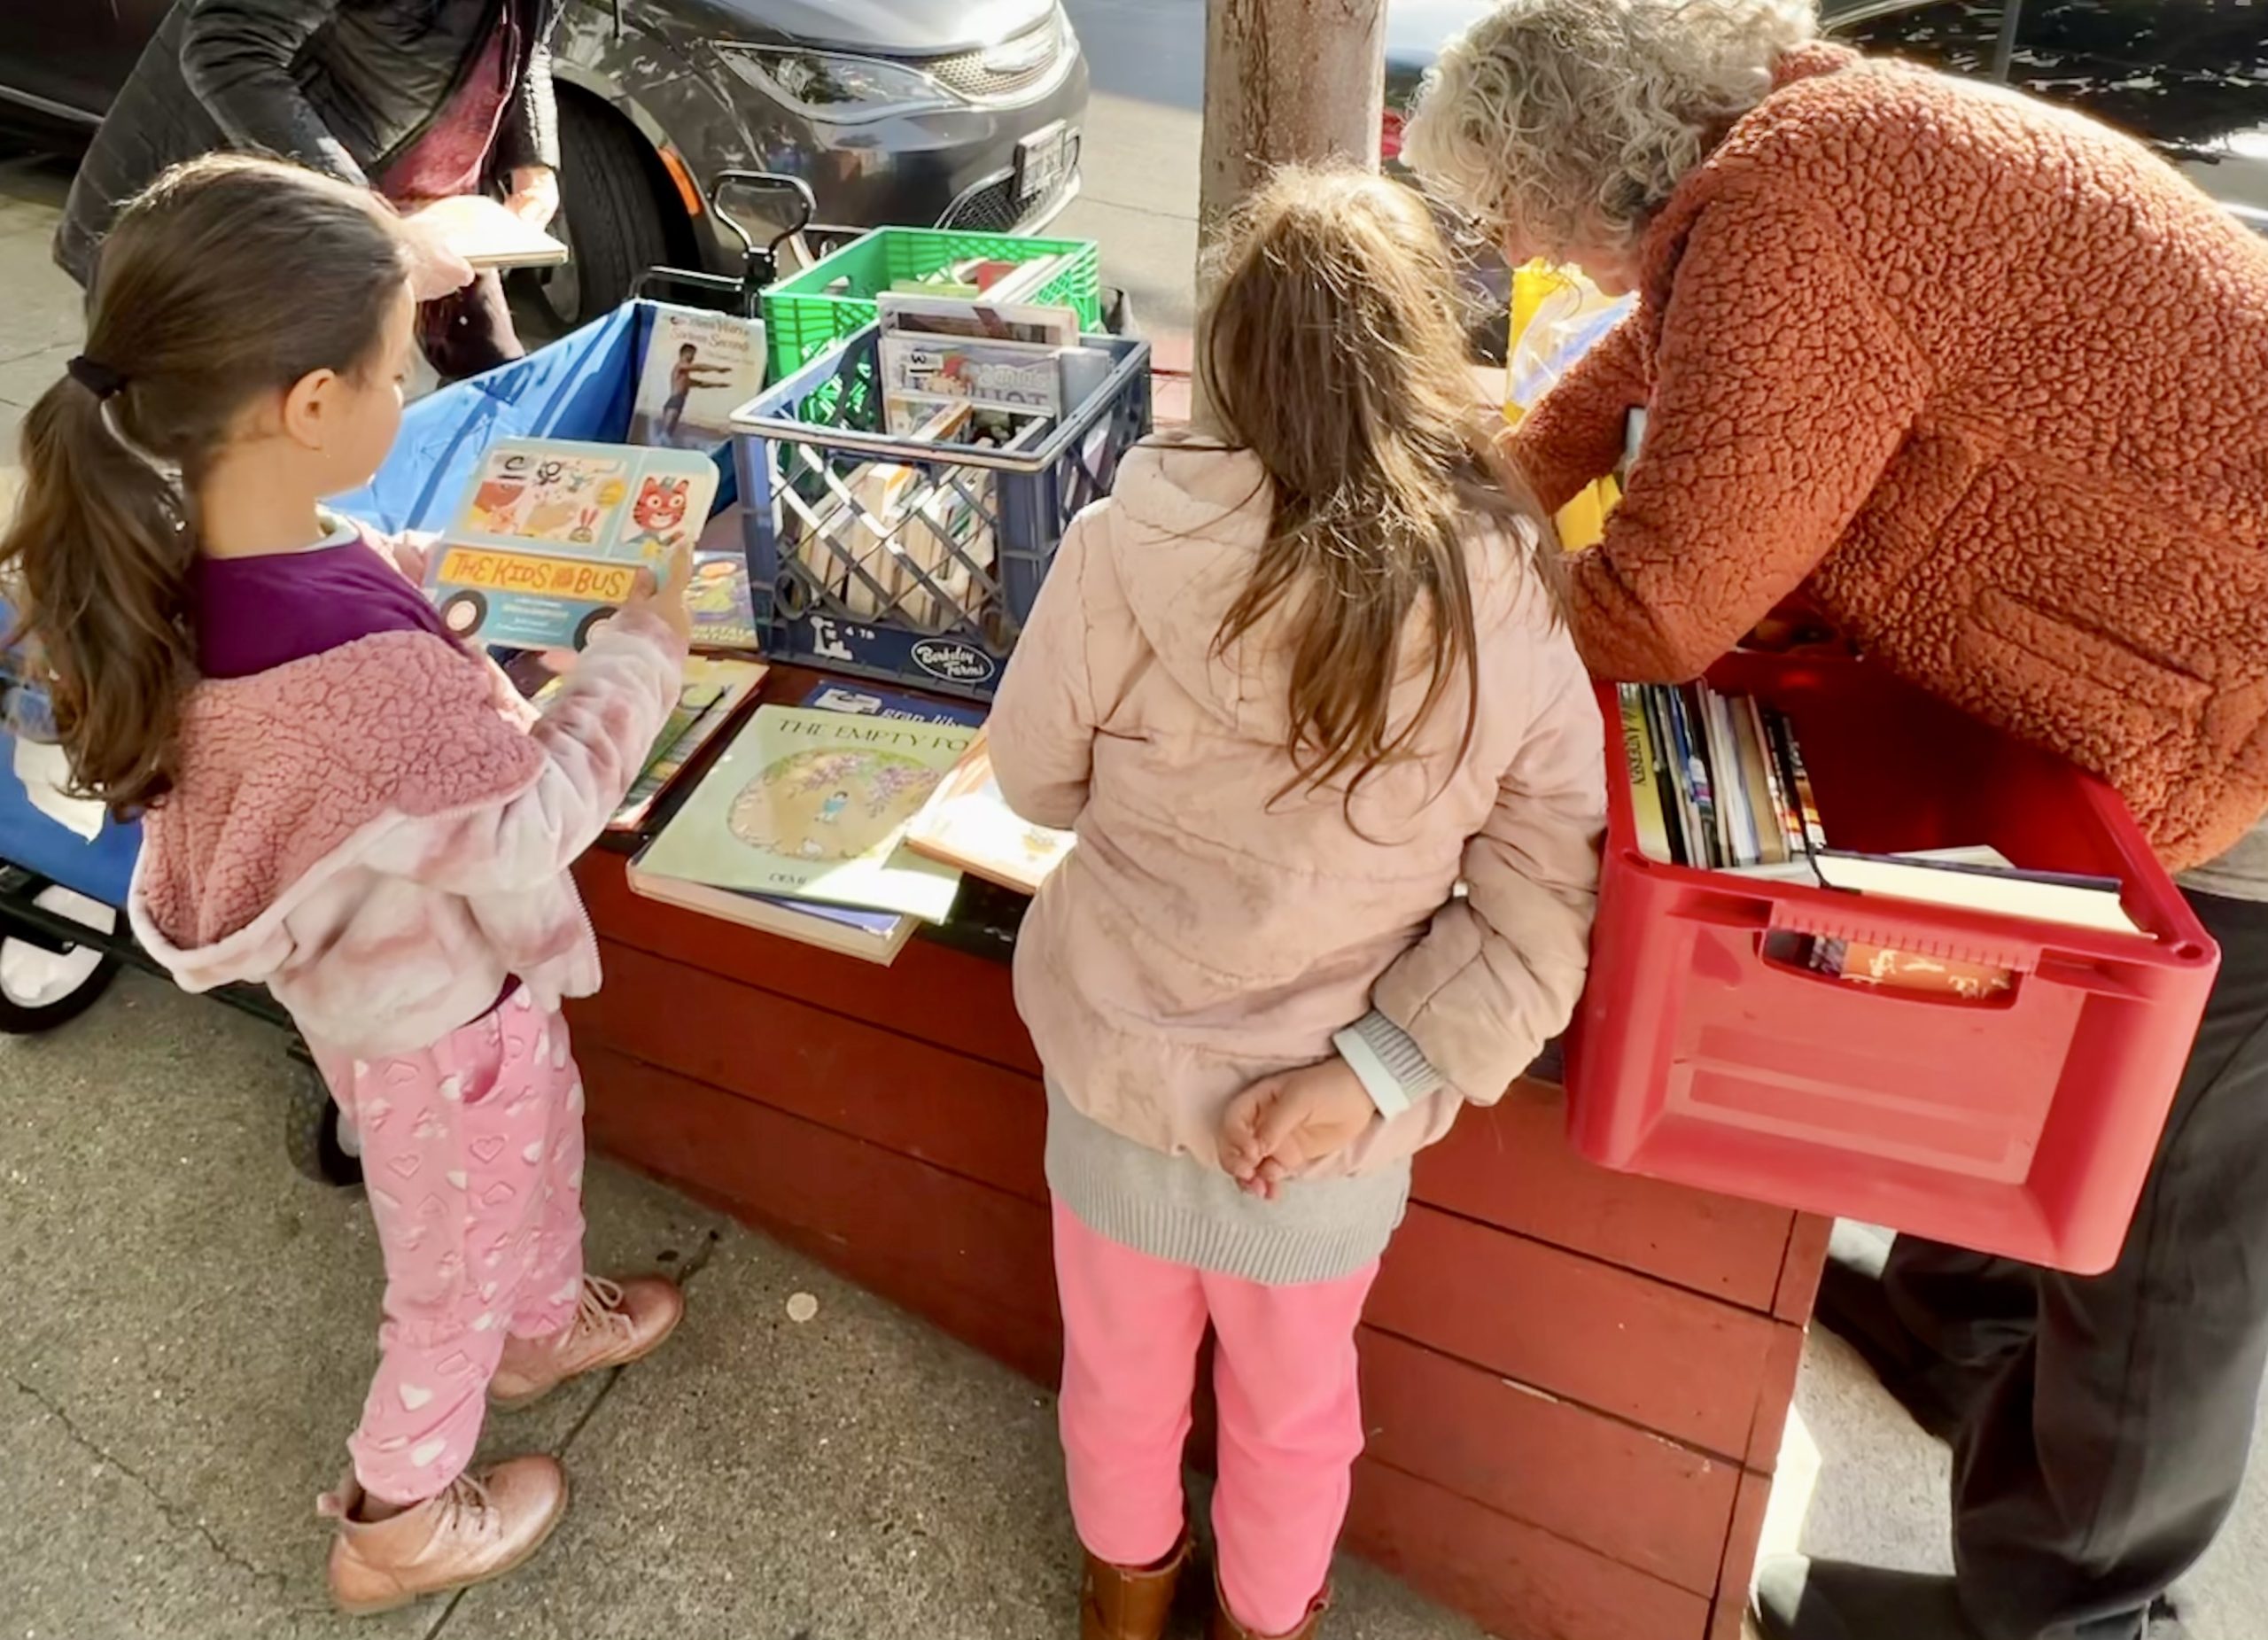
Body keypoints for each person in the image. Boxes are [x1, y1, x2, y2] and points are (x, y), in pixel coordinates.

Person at [1402, 4, 2268, 1639]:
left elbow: (1658, 605)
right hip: (2157, 662)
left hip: (2239, 712)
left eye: (1507, 208)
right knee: (2064, 1103)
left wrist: (1429, 651)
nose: (1515, 248)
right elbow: (1654, 358)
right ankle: (1956, 1325)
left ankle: (2077, 1621)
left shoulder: (1794, 211)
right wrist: (1505, 478)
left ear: (1578, 166)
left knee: (2168, 1220)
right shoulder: (1800, 153)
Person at [1, 154, 693, 1612]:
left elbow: (368, 568)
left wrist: (494, 564)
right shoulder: (355, 686)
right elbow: (531, 821)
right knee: (444, 1284)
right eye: (391, 373)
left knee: (537, 1149)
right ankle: (393, 1519)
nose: (405, 397)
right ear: (311, 407)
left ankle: (548, 1320)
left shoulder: (188, 538)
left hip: (414, 990)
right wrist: (642, 650)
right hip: (434, 1027)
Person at [986, 167, 1604, 1640]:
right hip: (1332, 1139)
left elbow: (1029, 781)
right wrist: (1373, 1075)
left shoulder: (1119, 547)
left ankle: (1123, 1605)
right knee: (1293, 1415)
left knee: (1119, 1382)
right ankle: (1268, 1621)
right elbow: (1541, 893)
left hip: (1117, 1077)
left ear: (1231, 362)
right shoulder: (1500, 595)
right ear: (1431, 358)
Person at [56, 0, 567, 379]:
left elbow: (528, 42)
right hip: (237, 222)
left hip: (425, 209)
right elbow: (227, 50)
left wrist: (535, 162)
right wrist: (374, 220)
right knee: (212, 430)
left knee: (495, 380)